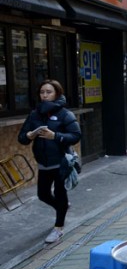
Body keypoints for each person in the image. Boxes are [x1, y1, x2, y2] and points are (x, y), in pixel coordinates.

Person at [18, 80, 81, 243]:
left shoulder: (65, 114)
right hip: (43, 162)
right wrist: (29, 136)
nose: (45, 95)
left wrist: (56, 136)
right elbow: (21, 138)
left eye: (49, 92)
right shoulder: (35, 114)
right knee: (43, 194)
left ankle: (58, 228)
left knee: (60, 194)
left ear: (57, 94)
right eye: (42, 92)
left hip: (61, 162)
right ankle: (63, 207)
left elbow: (75, 135)